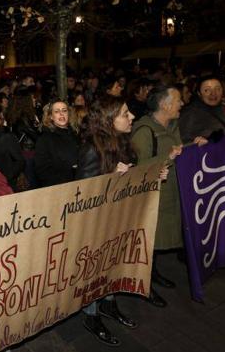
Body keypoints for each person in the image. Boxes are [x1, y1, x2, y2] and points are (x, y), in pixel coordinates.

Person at [77, 97, 141, 347]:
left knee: (113, 260)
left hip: (117, 216)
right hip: (95, 222)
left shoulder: (122, 141)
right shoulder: (92, 148)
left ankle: (108, 304)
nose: (132, 116)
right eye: (125, 113)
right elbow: (82, 192)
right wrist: (112, 177)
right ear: (109, 119)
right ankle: (91, 316)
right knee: (96, 267)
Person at [131, 85, 188, 308]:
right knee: (148, 242)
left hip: (170, 192)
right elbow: (137, 169)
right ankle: (144, 286)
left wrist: (195, 146)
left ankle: (153, 275)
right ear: (164, 105)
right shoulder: (144, 132)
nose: (182, 103)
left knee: (157, 241)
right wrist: (168, 157)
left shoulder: (172, 126)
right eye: (178, 100)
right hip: (152, 196)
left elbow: (181, 151)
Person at [34, 98, 80, 187]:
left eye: (64, 110)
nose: (61, 114)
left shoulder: (76, 135)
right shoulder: (44, 139)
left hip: (80, 184)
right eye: (57, 111)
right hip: (58, 189)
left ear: (69, 114)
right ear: (51, 116)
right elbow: (42, 171)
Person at [179, 76, 225, 143]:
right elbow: (183, 141)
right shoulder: (191, 114)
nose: (213, 93)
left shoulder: (220, 108)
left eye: (217, 89)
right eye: (207, 90)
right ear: (199, 94)